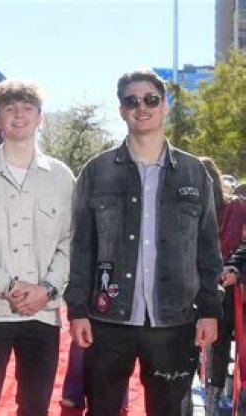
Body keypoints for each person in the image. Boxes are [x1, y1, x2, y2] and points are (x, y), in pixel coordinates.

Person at [64, 69, 222, 416]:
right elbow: (81, 248)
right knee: (102, 410)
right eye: (131, 101)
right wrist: (77, 310)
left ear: (165, 105)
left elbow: (209, 248)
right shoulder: (97, 171)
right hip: (108, 320)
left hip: (175, 321)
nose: (142, 107)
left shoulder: (194, 172)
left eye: (151, 99)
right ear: (121, 110)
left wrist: (211, 310)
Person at [0, 79, 74, 416]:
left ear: (40, 118)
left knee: (35, 407)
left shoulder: (62, 177)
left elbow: (71, 242)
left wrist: (46, 289)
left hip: (42, 312)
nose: (19, 115)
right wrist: (8, 286)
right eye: (9, 108)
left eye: (27, 108)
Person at [201, 157, 246, 413]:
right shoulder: (189, 208)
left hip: (227, 287)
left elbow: (236, 245)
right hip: (198, 284)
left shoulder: (234, 207)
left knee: (219, 343)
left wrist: (230, 269)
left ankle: (214, 400)